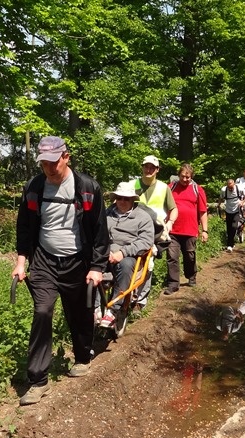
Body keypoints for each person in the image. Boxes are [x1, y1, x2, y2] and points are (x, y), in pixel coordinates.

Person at [12, 135, 109, 406]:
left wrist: (97, 267)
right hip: (44, 259)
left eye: (54, 161)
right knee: (42, 311)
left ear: (66, 157)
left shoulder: (88, 188)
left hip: (78, 260)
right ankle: (37, 380)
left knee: (79, 312)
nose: (50, 167)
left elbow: (100, 231)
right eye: (45, 162)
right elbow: (24, 227)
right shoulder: (34, 187)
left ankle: (81, 357)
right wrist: (22, 261)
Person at [97, 182, 155, 327]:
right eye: (120, 198)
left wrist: (123, 252)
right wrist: (105, 250)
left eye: (126, 199)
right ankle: (95, 308)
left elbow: (146, 241)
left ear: (133, 200)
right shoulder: (107, 213)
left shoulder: (143, 217)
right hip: (105, 252)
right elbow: (97, 233)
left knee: (126, 264)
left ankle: (114, 310)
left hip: (130, 255)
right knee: (90, 266)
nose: (122, 201)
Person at [133, 155, 178, 308]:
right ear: (142, 167)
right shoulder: (132, 185)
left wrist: (170, 222)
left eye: (152, 167)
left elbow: (173, 209)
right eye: (146, 166)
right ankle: (127, 294)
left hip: (154, 230)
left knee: (147, 262)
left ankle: (140, 300)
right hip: (132, 229)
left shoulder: (163, 188)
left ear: (157, 170)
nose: (148, 169)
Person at [165, 164, 209, 295]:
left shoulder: (198, 190)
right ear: (178, 175)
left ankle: (191, 275)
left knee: (189, 255)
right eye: (183, 176)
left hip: (190, 230)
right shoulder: (170, 188)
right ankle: (173, 283)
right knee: (172, 257)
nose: (185, 179)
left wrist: (205, 230)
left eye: (188, 177)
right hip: (172, 230)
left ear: (191, 177)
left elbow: (203, 211)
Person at [219, 179, 245, 252]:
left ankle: (229, 245)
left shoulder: (239, 188)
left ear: (234, 184)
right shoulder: (223, 190)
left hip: (237, 210)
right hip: (228, 211)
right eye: (229, 188)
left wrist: (242, 202)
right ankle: (232, 242)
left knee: (234, 226)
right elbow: (221, 198)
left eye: (232, 187)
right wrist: (218, 205)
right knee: (229, 228)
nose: (230, 189)